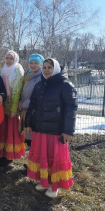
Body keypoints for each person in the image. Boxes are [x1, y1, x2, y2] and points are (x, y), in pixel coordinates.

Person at [25, 58, 77, 198]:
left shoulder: (65, 86)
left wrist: (68, 131)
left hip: (56, 131)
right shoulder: (39, 85)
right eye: (45, 67)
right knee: (43, 157)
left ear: (57, 69)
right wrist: (28, 123)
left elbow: (70, 109)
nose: (46, 70)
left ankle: (54, 187)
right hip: (40, 129)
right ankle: (44, 182)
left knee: (55, 158)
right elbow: (32, 106)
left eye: (50, 67)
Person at [0, 50, 25, 165]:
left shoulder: (17, 70)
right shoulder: (4, 70)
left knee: (11, 131)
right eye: (7, 58)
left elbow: (17, 91)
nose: (8, 60)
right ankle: (3, 153)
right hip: (4, 105)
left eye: (11, 58)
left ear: (15, 59)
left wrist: (14, 109)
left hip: (12, 106)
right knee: (3, 130)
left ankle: (11, 155)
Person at [19, 54, 45, 147]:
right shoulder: (28, 75)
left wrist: (24, 104)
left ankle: (36, 161)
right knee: (29, 140)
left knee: (34, 141)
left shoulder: (41, 78)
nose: (33, 65)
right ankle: (32, 160)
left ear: (41, 65)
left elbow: (39, 98)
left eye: (36, 63)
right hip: (26, 111)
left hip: (34, 113)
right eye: (31, 63)